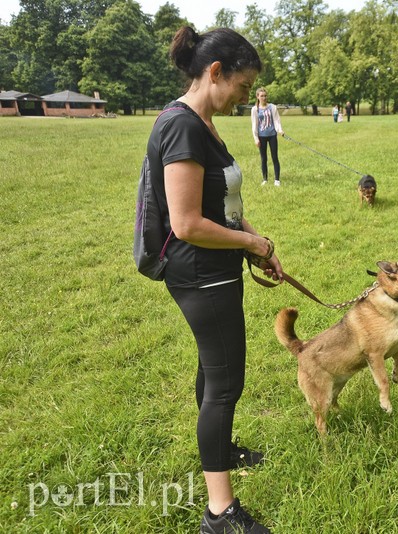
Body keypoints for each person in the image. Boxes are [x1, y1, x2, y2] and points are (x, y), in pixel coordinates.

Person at [147, 26, 283, 533]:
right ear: (216, 72)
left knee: (214, 369)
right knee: (226, 383)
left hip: (217, 267)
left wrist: (256, 241)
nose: (245, 97)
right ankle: (219, 513)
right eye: (243, 86)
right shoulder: (183, 126)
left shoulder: (203, 123)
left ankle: (221, 450)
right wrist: (250, 244)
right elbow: (186, 223)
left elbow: (223, 204)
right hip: (200, 272)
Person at [250, 87, 284, 187]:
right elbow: (254, 125)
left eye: (265, 96)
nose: (264, 98)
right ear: (257, 97)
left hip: (272, 135)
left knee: (275, 157)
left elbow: (277, 120)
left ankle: (277, 180)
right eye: (262, 96)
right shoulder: (255, 109)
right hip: (262, 137)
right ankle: (265, 179)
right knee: (263, 158)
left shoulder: (272, 107)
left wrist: (280, 130)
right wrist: (256, 139)